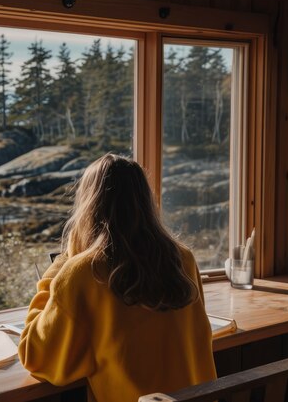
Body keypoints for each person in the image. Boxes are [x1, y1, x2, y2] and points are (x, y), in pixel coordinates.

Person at [18, 153, 216, 402]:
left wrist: (60, 267)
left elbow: (36, 358)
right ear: (145, 200)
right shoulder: (183, 258)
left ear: (88, 206)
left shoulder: (83, 272)